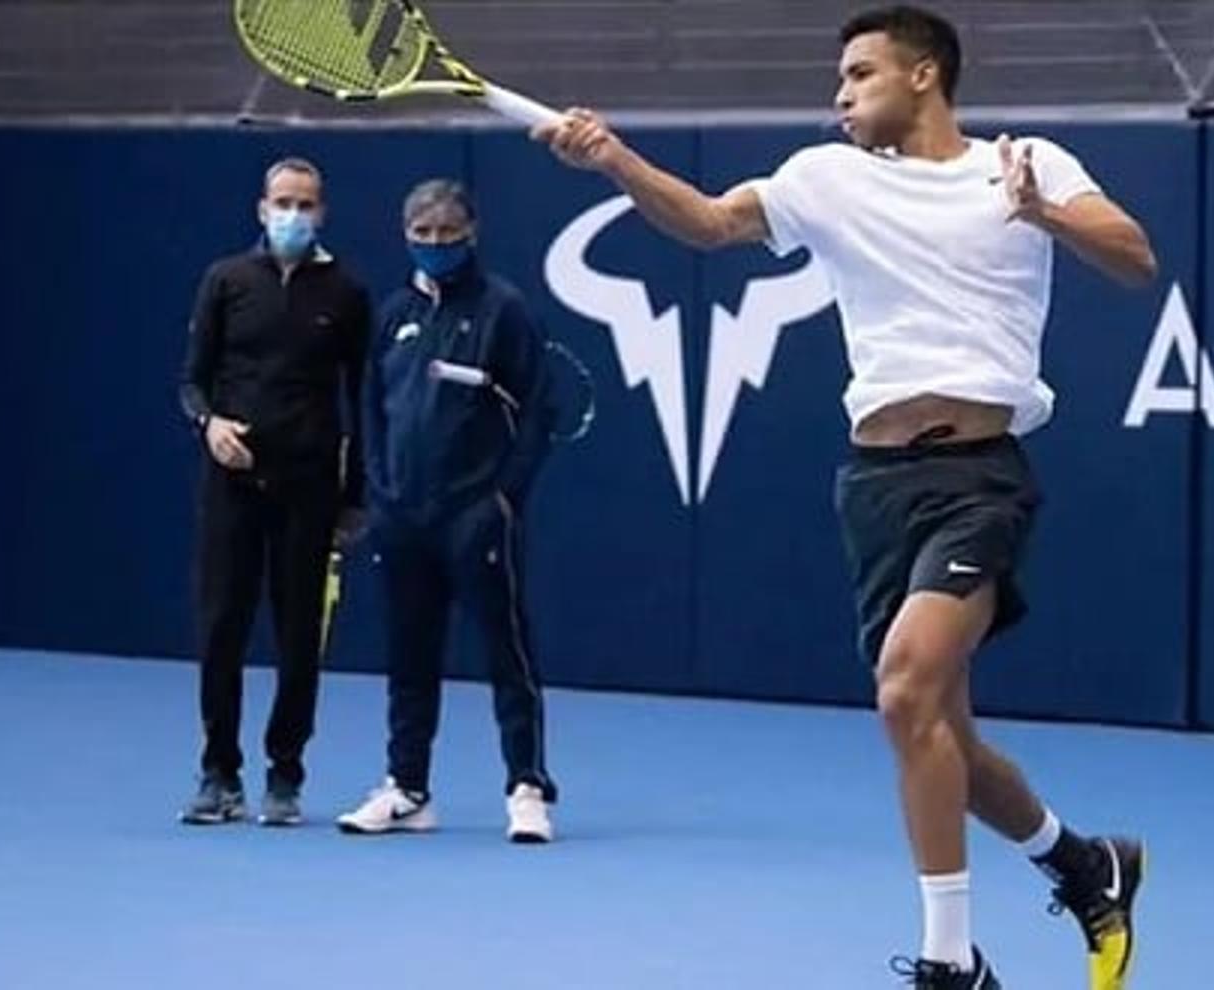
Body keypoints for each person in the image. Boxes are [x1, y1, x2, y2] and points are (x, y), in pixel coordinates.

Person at [534, 5, 1159, 986]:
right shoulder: (824, 180)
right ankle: (1086, 864)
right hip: (873, 486)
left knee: (904, 690)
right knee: (939, 732)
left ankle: (953, 964)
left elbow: (1133, 256)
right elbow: (707, 222)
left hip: (978, 479)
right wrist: (612, 156)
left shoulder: (1023, 163)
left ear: (923, 75)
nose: (840, 95)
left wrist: (1044, 212)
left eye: (859, 74)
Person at [334, 179, 560, 844]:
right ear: (406, 234)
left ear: (472, 234)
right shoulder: (393, 312)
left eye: (447, 234)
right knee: (409, 655)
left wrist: (501, 498)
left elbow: (537, 415)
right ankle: (408, 788)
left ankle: (527, 787)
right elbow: (373, 410)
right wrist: (377, 488)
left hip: (474, 514)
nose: (435, 244)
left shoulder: (504, 310)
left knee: (506, 651)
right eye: (422, 233)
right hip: (402, 516)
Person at [177, 156, 371, 828]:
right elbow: (191, 382)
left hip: (310, 487)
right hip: (232, 484)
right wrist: (210, 425)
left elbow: (360, 397)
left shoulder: (346, 293)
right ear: (262, 209)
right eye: (283, 202)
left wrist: (356, 496)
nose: (294, 214)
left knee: (297, 636)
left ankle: (285, 774)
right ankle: (218, 772)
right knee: (223, 626)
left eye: (306, 204)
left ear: (322, 213)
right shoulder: (225, 281)